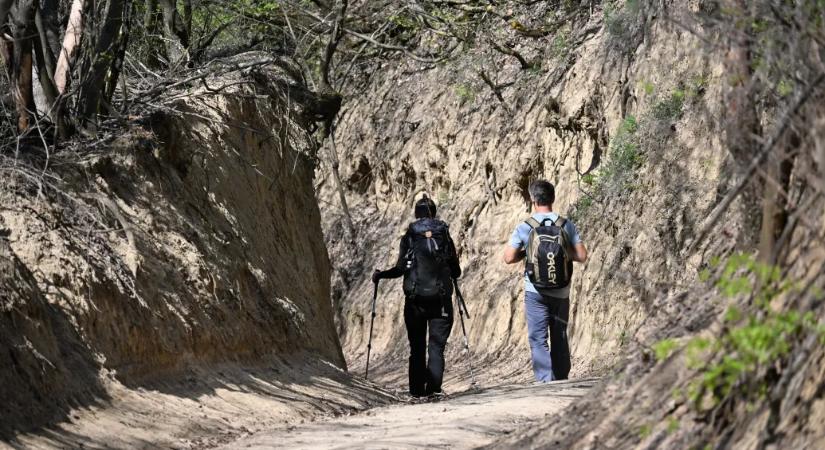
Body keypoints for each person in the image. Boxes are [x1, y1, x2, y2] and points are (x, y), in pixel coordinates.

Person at [372, 194, 462, 398]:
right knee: (437, 347)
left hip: (415, 302)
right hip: (441, 301)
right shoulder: (444, 235)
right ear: (435, 212)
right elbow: (456, 272)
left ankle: (416, 392)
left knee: (417, 348)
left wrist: (380, 275)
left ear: (415, 213)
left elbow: (400, 269)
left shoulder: (410, 237)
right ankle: (433, 390)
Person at [503, 180, 588, 382]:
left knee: (538, 338)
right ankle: (561, 378)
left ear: (533, 200)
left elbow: (508, 258)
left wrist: (528, 253)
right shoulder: (565, 225)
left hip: (535, 291)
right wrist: (562, 253)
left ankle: (545, 380)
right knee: (559, 334)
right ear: (553, 198)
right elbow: (582, 256)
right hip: (561, 290)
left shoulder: (525, 227)